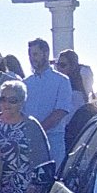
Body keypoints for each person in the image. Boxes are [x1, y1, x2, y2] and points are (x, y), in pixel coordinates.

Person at [22, 38, 73, 166]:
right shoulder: (25, 83)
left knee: (53, 179)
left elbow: (61, 111)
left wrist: (39, 131)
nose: (32, 58)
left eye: (35, 54)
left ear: (46, 53)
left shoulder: (62, 81)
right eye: (30, 55)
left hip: (53, 140)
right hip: (30, 141)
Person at [55, 50, 89, 125]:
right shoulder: (56, 85)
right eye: (57, 65)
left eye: (63, 65)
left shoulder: (77, 94)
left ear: (72, 66)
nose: (59, 69)